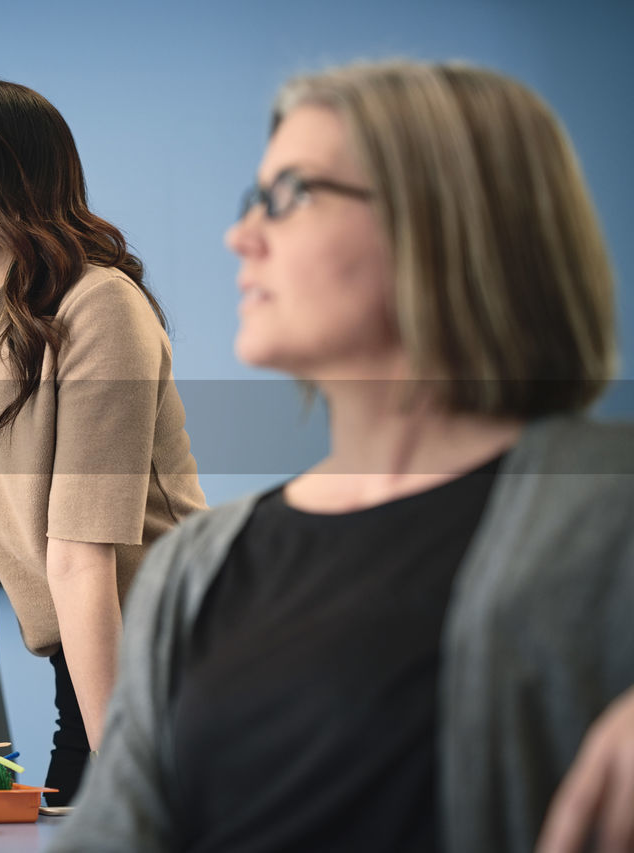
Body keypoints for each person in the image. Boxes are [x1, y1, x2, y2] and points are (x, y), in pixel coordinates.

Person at [48, 60, 634, 852]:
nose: (241, 235)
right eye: (252, 199)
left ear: (444, 219)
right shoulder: (197, 566)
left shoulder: (608, 505)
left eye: (292, 195)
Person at [0, 74, 206, 804]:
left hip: (187, 655)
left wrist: (129, 793)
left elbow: (79, 557)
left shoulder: (99, 309)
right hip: (87, 657)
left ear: (21, 181)